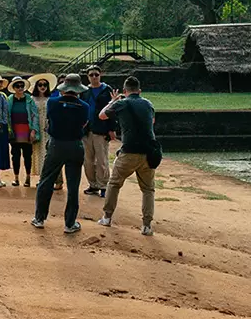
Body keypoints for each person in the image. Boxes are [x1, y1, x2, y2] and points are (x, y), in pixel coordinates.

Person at [98, 76, 160, 235]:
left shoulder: (121, 103)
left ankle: (107, 217)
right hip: (148, 152)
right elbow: (151, 122)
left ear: (125, 91)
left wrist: (113, 100)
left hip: (129, 151)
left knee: (114, 184)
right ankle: (146, 226)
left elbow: (102, 115)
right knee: (148, 190)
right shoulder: (148, 103)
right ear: (139, 91)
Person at [31, 73, 90, 233]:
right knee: (73, 185)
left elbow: (50, 119)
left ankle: (39, 218)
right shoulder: (84, 106)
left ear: (63, 88)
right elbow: (84, 124)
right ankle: (69, 223)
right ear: (78, 90)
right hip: (75, 145)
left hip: (57, 144)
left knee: (46, 181)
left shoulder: (53, 102)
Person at [82, 66, 113, 197]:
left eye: (96, 74)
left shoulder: (107, 90)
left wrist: (111, 129)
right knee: (87, 160)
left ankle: (103, 185)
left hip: (101, 129)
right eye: (91, 75)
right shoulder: (85, 91)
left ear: (101, 75)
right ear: (88, 77)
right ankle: (93, 184)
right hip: (86, 130)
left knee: (102, 160)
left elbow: (112, 110)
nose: (94, 77)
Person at [7, 77, 39, 187]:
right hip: (15, 130)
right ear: (14, 88)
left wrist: (34, 130)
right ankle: (16, 178)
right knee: (15, 155)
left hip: (26, 130)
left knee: (27, 155)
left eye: (22, 86)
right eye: (17, 86)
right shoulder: (10, 100)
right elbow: (7, 115)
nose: (20, 88)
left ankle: (28, 177)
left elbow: (35, 115)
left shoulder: (29, 99)